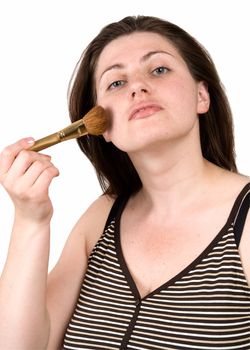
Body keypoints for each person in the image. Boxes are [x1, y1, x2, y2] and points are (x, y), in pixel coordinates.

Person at [0, 15, 249, 350]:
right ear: (101, 126)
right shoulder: (102, 217)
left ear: (201, 96)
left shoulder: (244, 220)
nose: (138, 86)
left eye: (159, 69)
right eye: (116, 82)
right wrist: (30, 219)